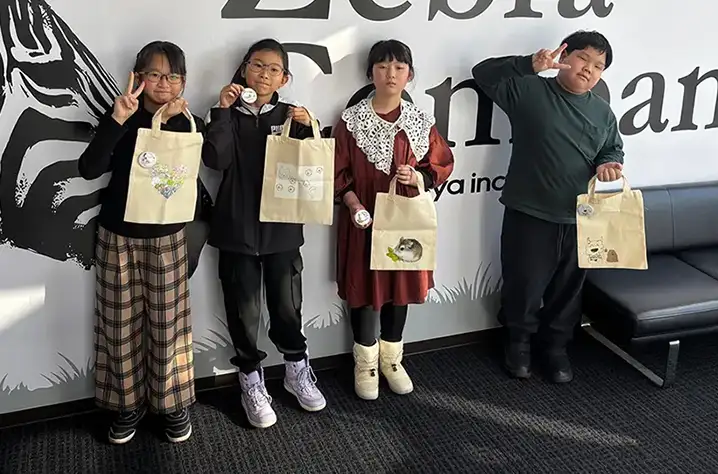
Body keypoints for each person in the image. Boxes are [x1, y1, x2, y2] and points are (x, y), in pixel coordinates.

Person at [472, 30, 624, 383]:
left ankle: (555, 347)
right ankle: (518, 343)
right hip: (530, 211)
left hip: (582, 216)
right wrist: (528, 65)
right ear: (564, 55)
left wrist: (608, 164)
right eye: (584, 58)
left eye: (598, 66)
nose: (589, 69)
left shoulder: (602, 112)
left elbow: (612, 149)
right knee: (524, 284)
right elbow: (483, 74)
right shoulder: (529, 90)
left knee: (568, 290)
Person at [78, 41, 203, 444]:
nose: (164, 83)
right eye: (154, 74)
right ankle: (126, 404)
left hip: (167, 237)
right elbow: (89, 168)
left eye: (173, 76)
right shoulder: (122, 115)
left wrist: (182, 119)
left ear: (183, 81)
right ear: (138, 77)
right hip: (118, 234)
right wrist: (117, 119)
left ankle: (171, 403)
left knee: (168, 326)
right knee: (119, 325)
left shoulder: (189, 123)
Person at [202, 38, 325, 428]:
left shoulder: (291, 115)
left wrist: (308, 128)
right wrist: (222, 112)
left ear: (284, 78)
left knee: (287, 306)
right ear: (244, 69)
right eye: (257, 65)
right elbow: (216, 160)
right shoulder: (224, 113)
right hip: (235, 228)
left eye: (274, 69)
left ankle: (296, 369)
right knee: (244, 312)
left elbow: (312, 170)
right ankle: (251, 379)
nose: (264, 74)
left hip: (282, 229)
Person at [334, 40, 454, 400]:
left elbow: (440, 164)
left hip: (404, 221)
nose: (391, 74)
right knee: (364, 290)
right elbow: (337, 173)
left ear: (409, 75)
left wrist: (418, 177)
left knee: (399, 287)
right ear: (370, 73)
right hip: (364, 221)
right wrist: (353, 204)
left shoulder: (419, 121)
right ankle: (365, 364)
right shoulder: (351, 121)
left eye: (399, 67)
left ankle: (392, 360)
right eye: (383, 66)